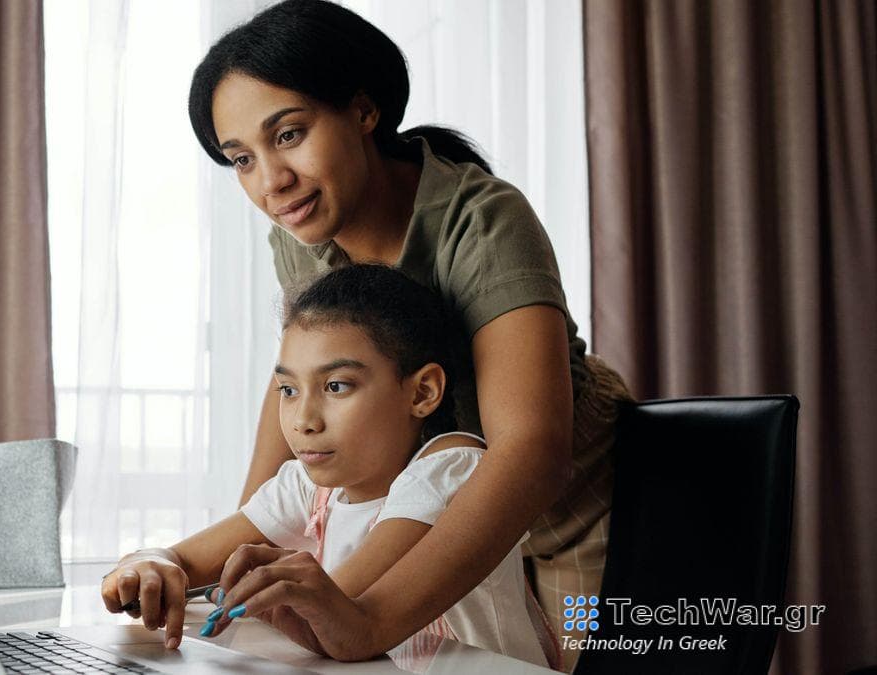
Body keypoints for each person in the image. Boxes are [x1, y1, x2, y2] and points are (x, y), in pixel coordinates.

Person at [185, 1, 633, 671]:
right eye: (242, 158)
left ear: (364, 111)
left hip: (567, 509)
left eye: (289, 134)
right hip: (432, 508)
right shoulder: (299, 237)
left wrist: (369, 619)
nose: (271, 182)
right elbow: (298, 382)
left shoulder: (483, 220)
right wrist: (244, 550)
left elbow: (533, 450)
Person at [101, 264, 551, 668]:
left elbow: (336, 611)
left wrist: (244, 590)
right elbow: (183, 558)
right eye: (289, 390)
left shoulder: (452, 468)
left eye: (336, 386)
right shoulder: (309, 487)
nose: (303, 421)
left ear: (422, 392)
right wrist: (147, 566)